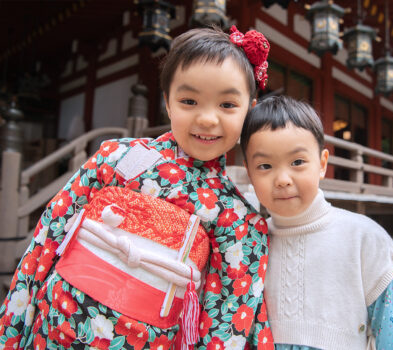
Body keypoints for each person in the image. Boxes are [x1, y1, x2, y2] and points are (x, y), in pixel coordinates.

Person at [0, 26, 274, 350]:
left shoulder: (236, 216)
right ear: (167, 103)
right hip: (54, 327)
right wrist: (13, 329)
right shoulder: (118, 156)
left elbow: (226, 323)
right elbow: (51, 230)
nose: (207, 119)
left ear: (250, 110)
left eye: (227, 105)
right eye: (189, 100)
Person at [240, 95, 393, 350]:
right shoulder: (248, 243)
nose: (282, 179)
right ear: (249, 172)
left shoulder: (365, 239)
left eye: (297, 162)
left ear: (322, 164)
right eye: (265, 165)